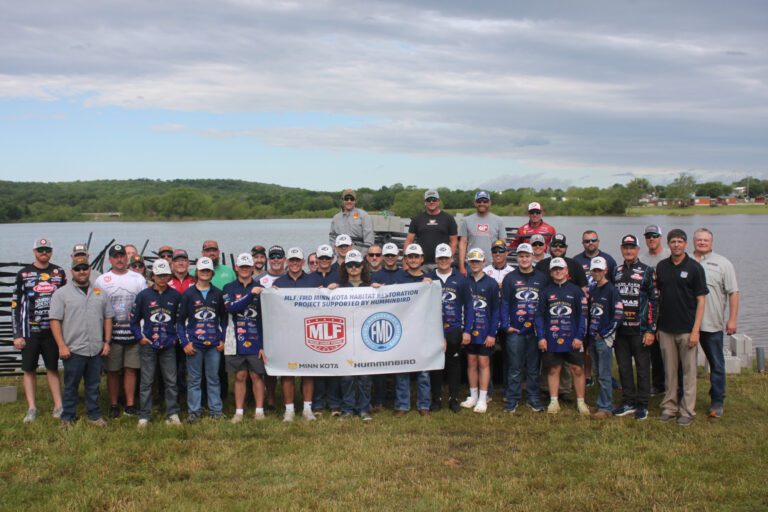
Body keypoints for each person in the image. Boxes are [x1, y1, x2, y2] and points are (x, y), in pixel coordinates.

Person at [49, 255, 113, 428]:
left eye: (84, 268)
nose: (82, 271)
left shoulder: (100, 292)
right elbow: (55, 321)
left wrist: (106, 342)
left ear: (89, 270)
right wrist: (61, 345)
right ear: (72, 272)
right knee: (71, 386)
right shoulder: (61, 294)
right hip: (73, 349)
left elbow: (108, 317)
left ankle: (94, 415)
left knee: (94, 385)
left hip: (96, 349)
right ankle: (67, 417)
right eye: (77, 269)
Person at [655, 229, 708, 427]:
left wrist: (696, 330)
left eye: (680, 241)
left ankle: (687, 410)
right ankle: (669, 407)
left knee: (689, 372)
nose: (676, 245)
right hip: (666, 329)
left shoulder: (694, 268)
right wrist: (658, 327)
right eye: (673, 242)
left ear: (686, 244)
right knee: (670, 371)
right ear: (668, 244)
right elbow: (658, 298)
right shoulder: (661, 266)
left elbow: (701, 300)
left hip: (687, 329)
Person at [12, 238, 66, 423]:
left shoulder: (59, 272)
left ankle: (59, 406)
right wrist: (17, 334)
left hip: (52, 332)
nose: (44, 253)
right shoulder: (23, 274)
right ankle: (32, 407)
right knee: (29, 370)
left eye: (47, 250)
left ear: (51, 251)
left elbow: (67, 301)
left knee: (52, 368)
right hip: (29, 332)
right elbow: (15, 306)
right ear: (34, 251)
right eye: (40, 250)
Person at [94, 243, 147, 419]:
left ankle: (130, 404)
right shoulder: (102, 280)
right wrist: (103, 337)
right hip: (112, 334)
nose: (119, 259)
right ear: (110, 259)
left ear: (127, 258)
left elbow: (144, 306)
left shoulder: (138, 279)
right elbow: (97, 307)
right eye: (115, 256)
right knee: (113, 370)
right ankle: (114, 404)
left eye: (122, 255)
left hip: (133, 333)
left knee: (131, 369)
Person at [129, 259, 182, 427]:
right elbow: (134, 320)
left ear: (169, 276)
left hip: (168, 345)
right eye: (158, 275)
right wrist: (140, 337)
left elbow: (181, 321)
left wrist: (175, 338)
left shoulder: (176, 296)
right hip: (148, 345)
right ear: (153, 276)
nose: (162, 278)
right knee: (146, 381)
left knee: (171, 381)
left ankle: (172, 413)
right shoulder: (143, 295)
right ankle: (144, 415)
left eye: (165, 275)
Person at [693, 228, 739, 418]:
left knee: (717, 365)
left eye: (706, 240)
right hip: (687, 325)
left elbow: (733, 292)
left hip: (712, 324)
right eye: (699, 239)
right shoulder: (685, 261)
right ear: (693, 241)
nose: (702, 242)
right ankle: (684, 399)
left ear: (711, 242)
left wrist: (732, 319)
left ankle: (717, 401)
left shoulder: (723, 263)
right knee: (685, 366)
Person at [535, 257, 590, 416]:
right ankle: (553, 401)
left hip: (573, 338)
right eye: (555, 269)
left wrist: (580, 336)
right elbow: (539, 316)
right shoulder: (545, 291)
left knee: (577, 369)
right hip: (551, 338)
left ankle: (581, 402)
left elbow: (583, 316)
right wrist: (541, 337)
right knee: (553, 369)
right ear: (551, 273)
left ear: (567, 271)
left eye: (561, 269)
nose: (558, 272)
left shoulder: (576, 291)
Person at [178, 257, 228, 422]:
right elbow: (180, 322)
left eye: (208, 271)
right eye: (202, 270)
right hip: (195, 344)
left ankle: (216, 411)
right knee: (194, 380)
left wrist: (222, 339)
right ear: (197, 272)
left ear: (212, 273)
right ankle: (194, 411)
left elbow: (224, 319)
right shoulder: (188, 294)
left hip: (213, 345)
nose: (205, 273)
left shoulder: (218, 294)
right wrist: (185, 343)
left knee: (213, 378)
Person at [613, 234, 657, 421]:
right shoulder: (616, 270)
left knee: (642, 368)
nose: (629, 251)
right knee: (623, 367)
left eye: (632, 247)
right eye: (625, 247)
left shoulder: (647, 270)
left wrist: (651, 330)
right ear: (622, 250)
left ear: (638, 250)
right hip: (621, 330)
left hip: (640, 330)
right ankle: (628, 401)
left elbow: (654, 301)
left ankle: (643, 404)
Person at [501, 243, 547, 413]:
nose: (524, 259)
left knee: (534, 368)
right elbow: (504, 303)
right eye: (521, 256)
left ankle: (533, 398)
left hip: (535, 331)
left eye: (527, 256)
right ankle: (512, 399)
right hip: (516, 330)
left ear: (532, 257)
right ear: (517, 258)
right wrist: (506, 326)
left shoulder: (542, 278)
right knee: (514, 367)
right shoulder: (510, 278)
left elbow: (545, 304)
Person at [428, 243, 473, 413]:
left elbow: (469, 306)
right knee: (436, 364)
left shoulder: (461, 279)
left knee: (454, 363)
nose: (443, 261)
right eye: (440, 258)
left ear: (452, 259)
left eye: (446, 258)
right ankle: (436, 399)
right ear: (435, 260)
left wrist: (467, 330)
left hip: (454, 328)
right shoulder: (429, 279)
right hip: (433, 329)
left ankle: (454, 398)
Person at [332, 250, 377, 421]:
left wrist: (380, 291)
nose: (353, 268)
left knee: (365, 376)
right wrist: (328, 292)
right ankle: (348, 409)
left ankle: (364, 409)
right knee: (347, 376)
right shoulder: (339, 288)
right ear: (345, 267)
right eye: (349, 265)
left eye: (356, 265)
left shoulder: (370, 287)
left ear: (362, 266)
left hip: (365, 338)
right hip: (346, 337)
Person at [274, 247, 317, 421]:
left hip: (307, 332)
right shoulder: (279, 283)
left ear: (303, 262)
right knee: (287, 372)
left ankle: (307, 408)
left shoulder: (312, 281)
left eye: (297, 260)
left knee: (308, 371)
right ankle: (289, 409)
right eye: (291, 260)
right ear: (286, 262)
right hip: (287, 334)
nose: (294, 263)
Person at [223, 253, 267, 422]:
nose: (244, 270)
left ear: (252, 268)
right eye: (242, 267)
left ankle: (259, 411)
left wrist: (263, 345)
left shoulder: (260, 287)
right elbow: (231, 309)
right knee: (240, 375)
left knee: (257, 375)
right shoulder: (229, 288)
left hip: (255, 339)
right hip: (235, 339)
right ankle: (239, 412)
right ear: (236, 268)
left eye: (247, 267)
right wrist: (250, 295)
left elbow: (263, 319)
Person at [392, 243, 432, 416]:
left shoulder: (431, 279)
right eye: (411, 257)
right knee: (402, 369)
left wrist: (430, 286)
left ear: (422, 259)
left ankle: (424, 405)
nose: (414, 260)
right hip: (403, 330)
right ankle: (402, 405)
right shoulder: (399, 278)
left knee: (424, 372)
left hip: (423, 331)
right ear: (406, 260)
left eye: (417, 256)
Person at [460, 248, 500, 414]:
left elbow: (496, 310)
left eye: (478, 261)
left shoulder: (491, 283)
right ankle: (473, 395)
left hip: (485, 331)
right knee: (471, 362)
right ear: (468, 263)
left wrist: (492, 334)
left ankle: (483, 398)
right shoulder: (464, 282)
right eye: (472, 261)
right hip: (469, 331)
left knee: (484, 363)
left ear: (484, 262)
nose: (475, 264)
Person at [586, 257, 624, 419]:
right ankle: (603, 402)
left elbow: (618, 315)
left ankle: (606, 407)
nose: (596, 273)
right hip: (593, 337)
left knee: (604, 374)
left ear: (605, 271)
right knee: (596, 372)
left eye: (599, 270)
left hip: (604, 338)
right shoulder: (593, 289)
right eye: (594, 270)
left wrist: (605, 333)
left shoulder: (611, 290)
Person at [310, 244, 342, 416]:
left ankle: (335, 403)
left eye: (327, 258)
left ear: (332, 259)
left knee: (335, 367)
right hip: (315, 326)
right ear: (317, 260)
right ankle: (318, 403)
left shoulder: (339, 277)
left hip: (336, 325)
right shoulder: (309, 279)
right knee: (318, 368)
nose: (324, 261)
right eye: (321, 258)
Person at [641, 224, 669, 395]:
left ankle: (675, 384)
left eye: (654, 235)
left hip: (668, 307)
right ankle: (658, 383)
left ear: (660, 237)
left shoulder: (668, 255)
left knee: (670, 350)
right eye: (648, 236)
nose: (651, 239)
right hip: (650, 309)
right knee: (654, 350)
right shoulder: (642, 259)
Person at [404, 189, 458, 271]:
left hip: (441, 263)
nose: (431, 202)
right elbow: (409, 240)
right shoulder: (417, 219)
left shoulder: (448, 218)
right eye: (428, 200)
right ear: (425, 202)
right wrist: (405, 261)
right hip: (420, 264)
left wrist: (449, 258)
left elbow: (454, 241)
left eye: (434, 199)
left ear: (438, 201)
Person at [458, 191, 506, 276]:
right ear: (475, 203)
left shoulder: (499, 220)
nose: (482, 203)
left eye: (485, 201)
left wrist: (502, 264)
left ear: (490, 203)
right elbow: (463, 243)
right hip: (472, 264)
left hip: (492, 265)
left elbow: (503, 244)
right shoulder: (466, 220)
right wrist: (461, 266)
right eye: (479, 201)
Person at [329, 189, 374, 254]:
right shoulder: (336, 218)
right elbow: (332, 239)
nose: (349, 201)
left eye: (352, 199)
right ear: (342, 200)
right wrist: (336, 255)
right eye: (346, 199)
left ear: (355, 201)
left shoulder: (364, 216)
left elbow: (369, 241)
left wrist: (359, 257)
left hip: (358, 256)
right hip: (340, 257)